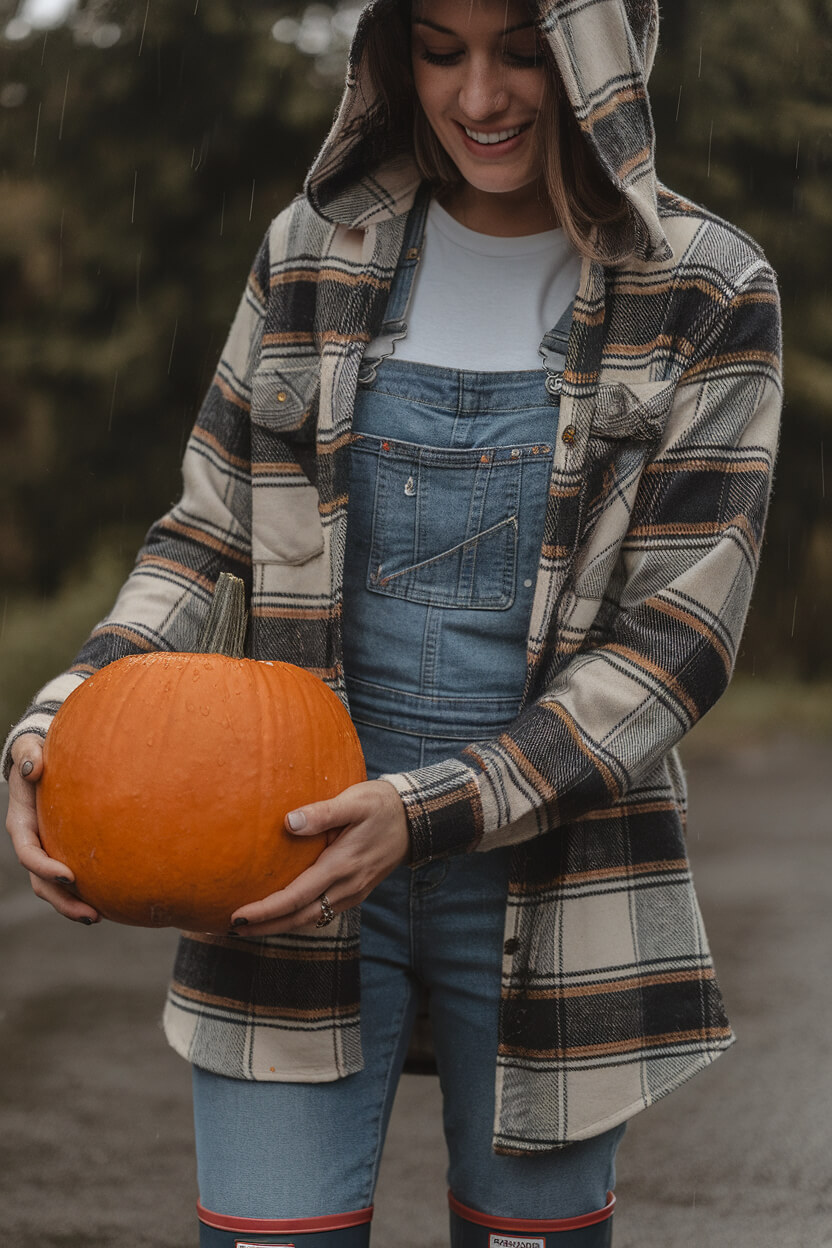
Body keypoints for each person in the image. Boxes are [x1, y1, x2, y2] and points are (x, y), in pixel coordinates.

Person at [3, 0, 782, 1244]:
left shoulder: (707, 288)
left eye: (524, 51)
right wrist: (60, 723)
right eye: (439, 50)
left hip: (560, 876)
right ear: (388, 55)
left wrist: (427, 809)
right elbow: (207, 539)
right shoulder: (311, 250)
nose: (480, 97)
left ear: (603, 53)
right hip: (281, 865)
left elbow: (674, 639)